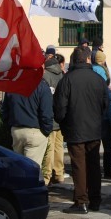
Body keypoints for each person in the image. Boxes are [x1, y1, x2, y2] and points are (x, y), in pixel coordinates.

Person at [54, 46, 108, 214]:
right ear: (87, 60)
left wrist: (63, 122)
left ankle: (81, 201)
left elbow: (59, 108)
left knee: (79, 166)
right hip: (93, 128)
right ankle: (95, 199)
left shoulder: (67, 80)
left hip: (75, 129)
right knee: (93, 165)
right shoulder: (98, 79)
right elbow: (106, 104)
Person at [1, 73, 53, 168]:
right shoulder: (42, 86)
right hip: (35, 131)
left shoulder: (12, 85)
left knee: (19, 168)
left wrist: (10, 127)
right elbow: (47, 114)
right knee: (31, 170)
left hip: (17, 130)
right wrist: (46, 131)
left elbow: (5, 111)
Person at [42, 47, 66, 186]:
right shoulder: (62, 75)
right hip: (59, 117)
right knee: (59, 147)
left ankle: (48, 175)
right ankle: (59, 173)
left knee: (49, 147)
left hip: (49, 116)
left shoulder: (45, 75)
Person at [94, 51, 111, 179]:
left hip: (93, 118)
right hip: (104, 119)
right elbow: (109, 104)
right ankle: (107, 171)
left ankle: (94, 169)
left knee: (94, 146)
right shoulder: (103, 74)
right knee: (107, 146)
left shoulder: (91, 70)